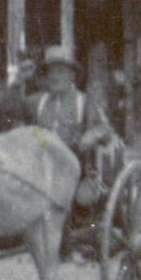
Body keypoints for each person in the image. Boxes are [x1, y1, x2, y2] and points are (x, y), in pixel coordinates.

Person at [35, 45, 116, 204]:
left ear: (72, 75)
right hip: (43, 169)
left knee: (83, 199)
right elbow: (17, 119)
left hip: (77, 173)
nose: (55, 77)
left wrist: (92, 135)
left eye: (60, 72)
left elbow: (106, 132)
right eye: (51, 72)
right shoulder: (39, 103)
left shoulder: (83, 102)